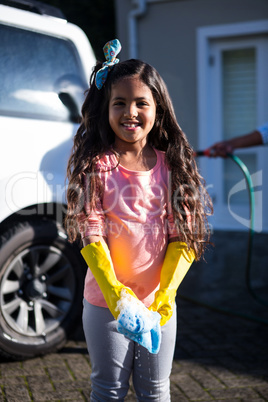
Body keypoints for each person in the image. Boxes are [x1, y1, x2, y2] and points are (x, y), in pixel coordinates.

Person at [65, 39, 212, 401]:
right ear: (106, 110)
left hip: (159, 303)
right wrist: (116, 297)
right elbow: (91, 230)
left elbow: (184, 233)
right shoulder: (97, 166)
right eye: (120, 103)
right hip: (106, 306)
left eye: (141, 103)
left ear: (157, 110)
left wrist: (165, 295)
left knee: (155, 389)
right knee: (108, 389)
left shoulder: (171, 164)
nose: (130, 111)